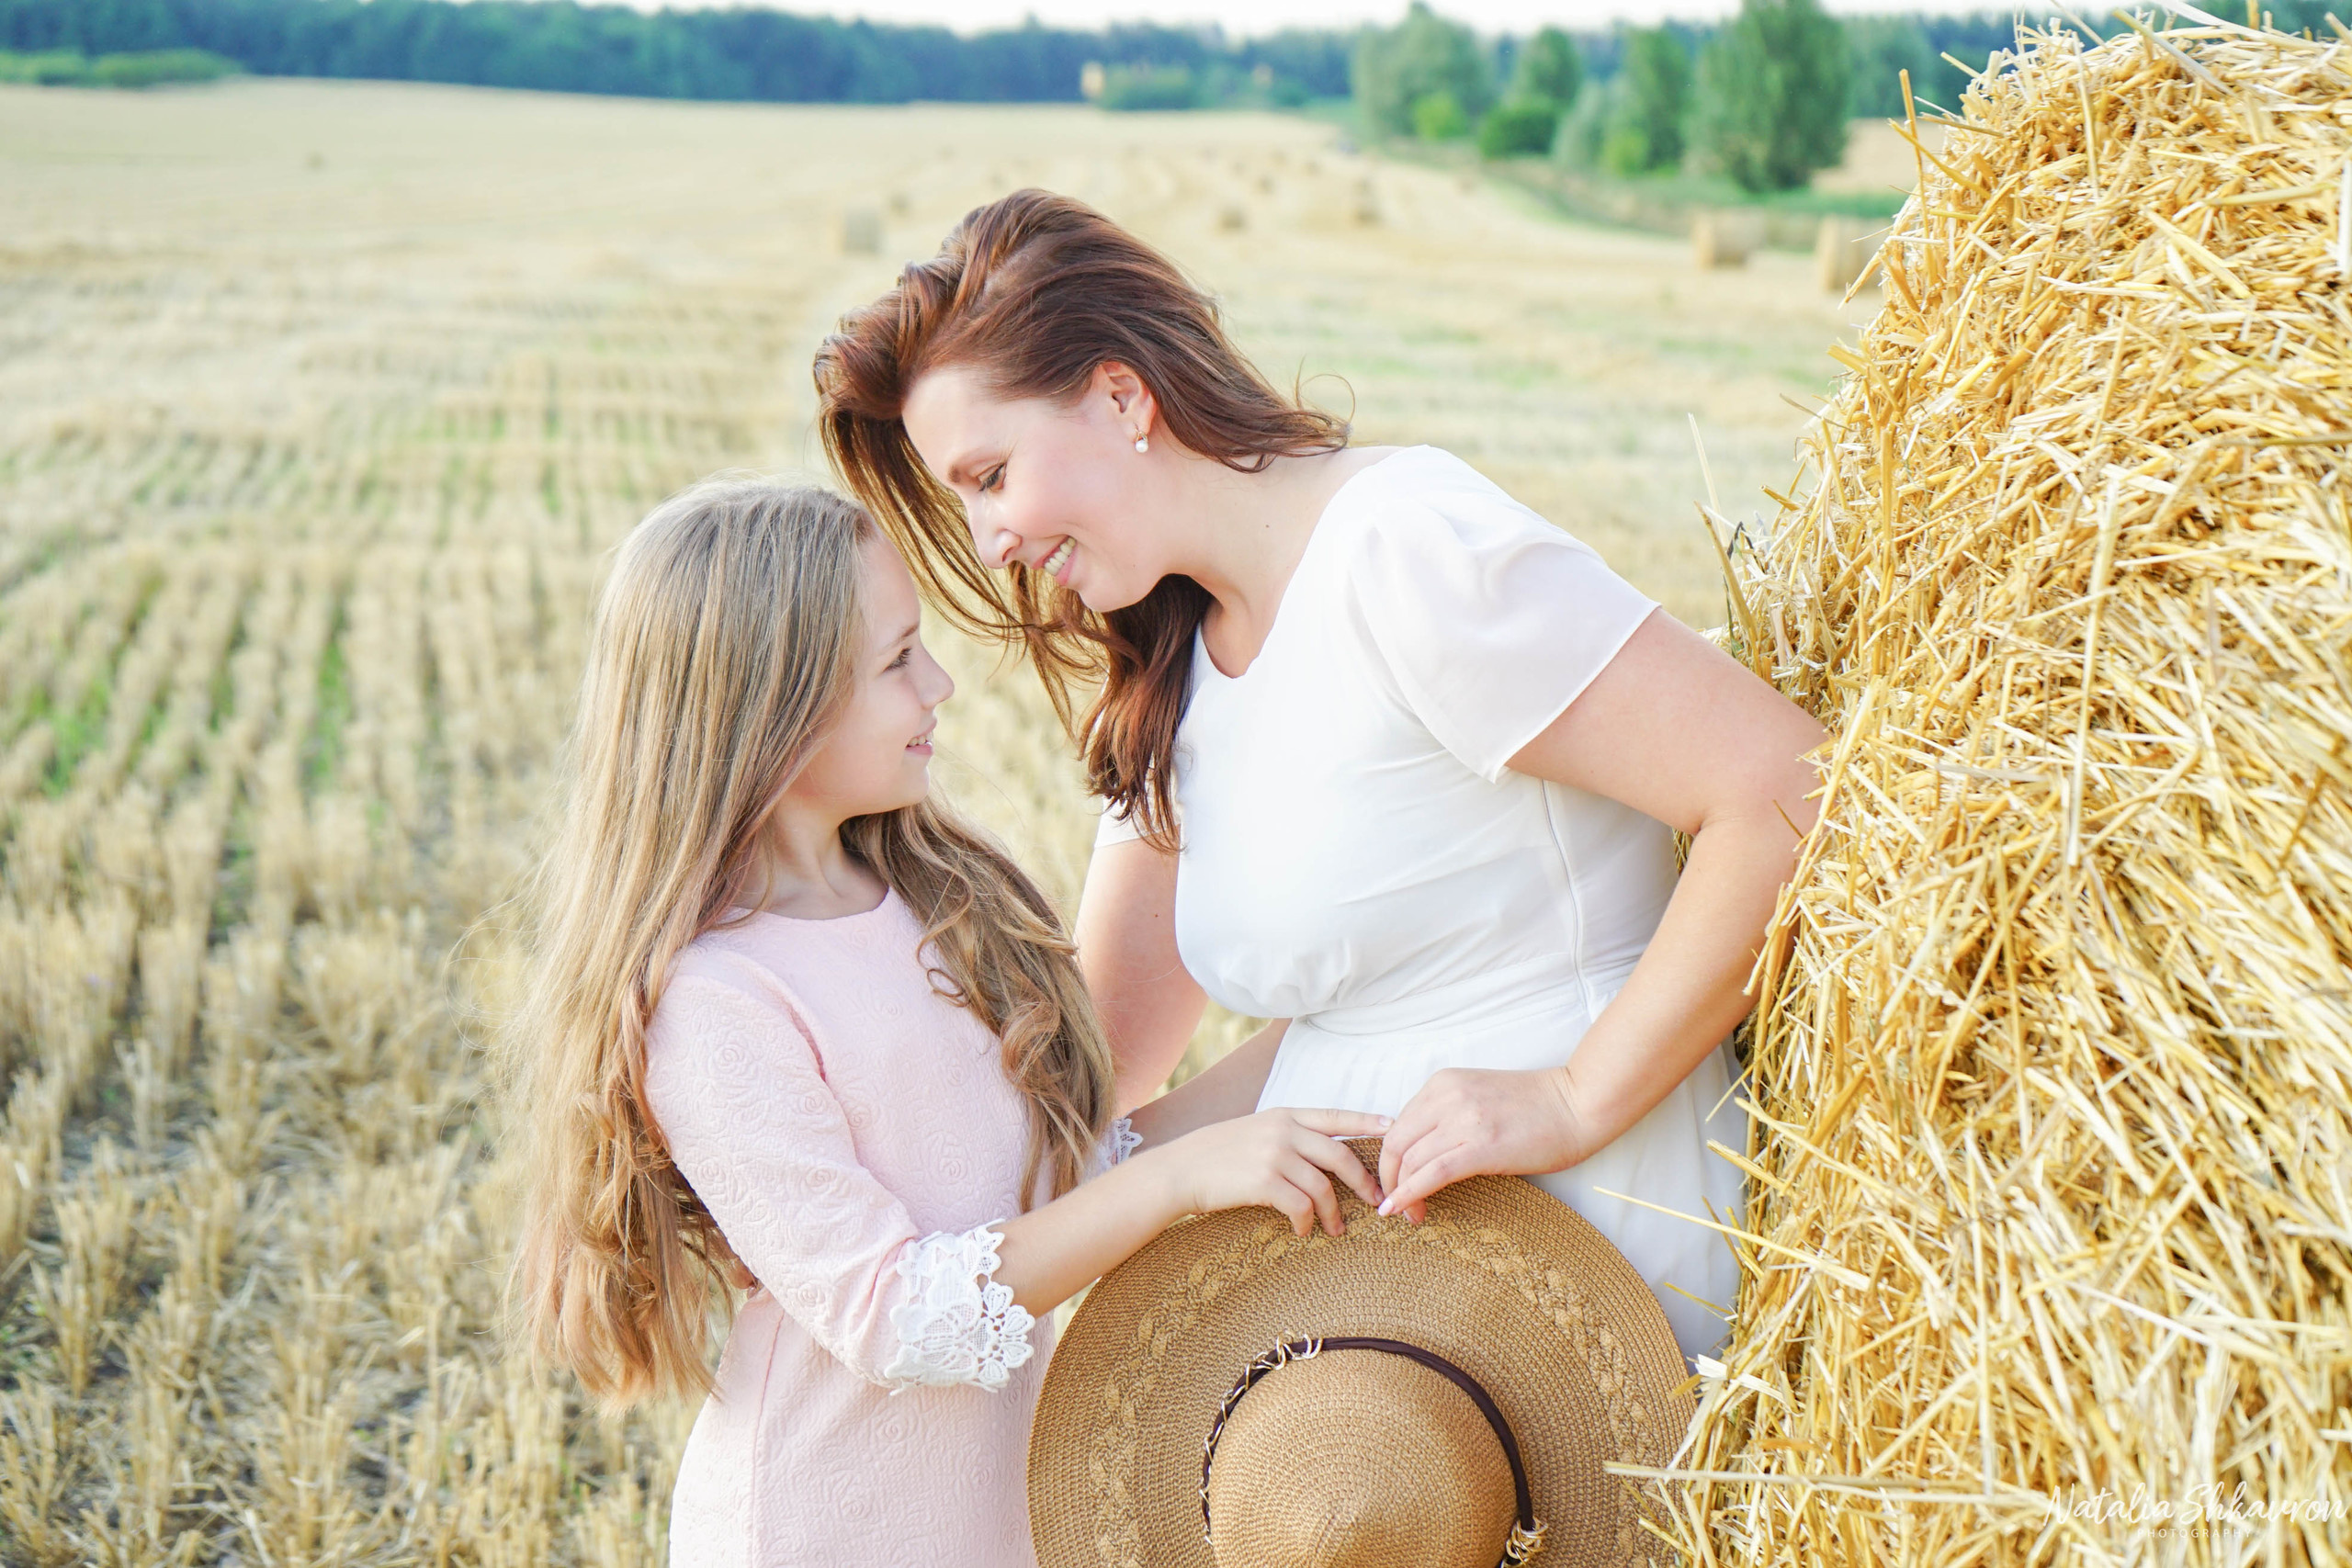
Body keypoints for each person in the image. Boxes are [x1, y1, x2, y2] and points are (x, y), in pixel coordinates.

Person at [814, 190, 1828, 1362]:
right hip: (1380, 1310)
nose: (990, 542)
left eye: (990, 476)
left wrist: (1571, 1098)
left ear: (1119, 396)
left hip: (1590, 1245)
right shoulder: (1175, 661)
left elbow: (1781, 788)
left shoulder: (1403, 553)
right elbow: (1102, 1069)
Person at [500, 478, 1385, 1568]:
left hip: (994, 1525)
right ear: (770, 705)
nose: (942, 684)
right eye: (896, 659)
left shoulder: (928, 904)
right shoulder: (716, 1002)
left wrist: (1331, 1039)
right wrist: (1181, 1178)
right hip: (824, 1531)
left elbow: (1047, 1180)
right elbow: (895, 1314)